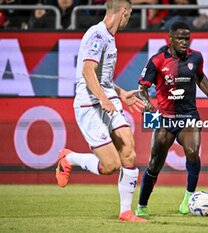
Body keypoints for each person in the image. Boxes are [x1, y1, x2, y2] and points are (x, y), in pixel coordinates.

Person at [55, 0, 146, 223]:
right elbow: (87, 71)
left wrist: (120, 92)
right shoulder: (97, 35)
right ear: (124, 11)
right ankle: (69, 158)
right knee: (111, 165)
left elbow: (102, 78)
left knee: (129, 152)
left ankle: (126, 212)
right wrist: (104, 99)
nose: (128, 19)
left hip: (108, 99)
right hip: (89, 105)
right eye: (130, 14)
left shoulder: (110, 38)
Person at [135, 21, 208, 217]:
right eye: (180, 38)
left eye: (187, 38)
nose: (184, 42)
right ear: (170, 38)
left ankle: (187, 200)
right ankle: (142, 206)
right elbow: (142, 87)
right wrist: (147, 102)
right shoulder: (157, 60)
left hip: (189, 116)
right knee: (154, 164)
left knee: (193, 151)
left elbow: (200, 77)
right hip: (166, 118)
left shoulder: (196, 57)